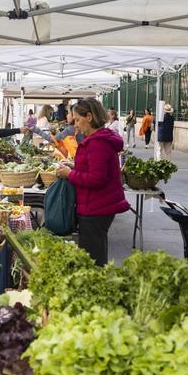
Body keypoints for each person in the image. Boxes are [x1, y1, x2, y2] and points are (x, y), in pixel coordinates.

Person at [56, 98, 129, 265]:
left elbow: (97, 178)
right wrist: (74, 166)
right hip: (97, 205)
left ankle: (97, 288)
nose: (75, 124)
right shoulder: (98, 139)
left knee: (93, 258)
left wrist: (70, 174)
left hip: (96, 207)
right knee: (95, 252)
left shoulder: (97, 143)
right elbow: (93, 167)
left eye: (77, 119)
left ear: (89, 117)